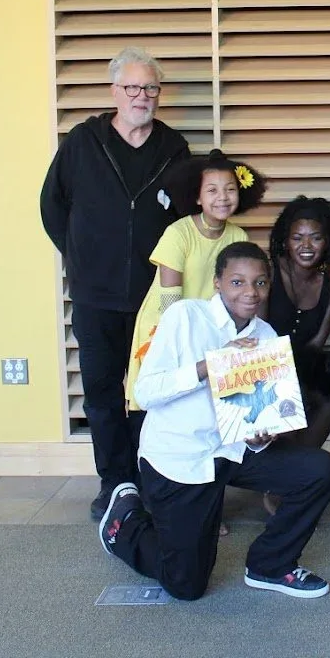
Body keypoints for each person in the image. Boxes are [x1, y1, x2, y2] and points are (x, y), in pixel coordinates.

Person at [99, 242, 330, 600]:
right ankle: (125, 524)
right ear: (217, 283)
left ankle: (270, 565)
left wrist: (264, 436)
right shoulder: (184, 318)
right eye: (238, 282)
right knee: (186, 584)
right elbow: (145, 392)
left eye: (260, 283)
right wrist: (208, 366)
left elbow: (259, 418)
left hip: (233, 450)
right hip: (181, 458)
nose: (250, 293)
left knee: (318, 469)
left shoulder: (266, 337)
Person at [40, 46, 191, 520]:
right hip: (95, 295)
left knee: (152, 394)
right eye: (132, 87)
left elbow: (186, 218)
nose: (141, 96)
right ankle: (115, 484)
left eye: (150, 88)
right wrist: (81, 256)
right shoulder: (83, 141)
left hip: (155, 298)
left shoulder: (174, 148)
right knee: (104, 394)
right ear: (114, 91)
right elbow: (52, 206)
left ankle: (150, 481)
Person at [125, 150, 267, 410]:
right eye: (212, 190)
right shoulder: (178, 233)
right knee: (170, 395)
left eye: (230, 189)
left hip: (212, 326)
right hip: (167, 323)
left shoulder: (239, 236)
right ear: (197, 197)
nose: (222, 197)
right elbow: (170, 301)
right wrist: (177, 340)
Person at [267, 196, 330, 451]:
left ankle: (299, 470)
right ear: (285, 242)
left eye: (315, 237)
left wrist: (296, 376)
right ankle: (293, 478)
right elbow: (256, 334)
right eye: (297, 238)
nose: (306, 245)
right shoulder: (269, 273)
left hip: (302, 364)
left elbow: (316, 344)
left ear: (326, 243)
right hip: (263, 365)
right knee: (291, 395)